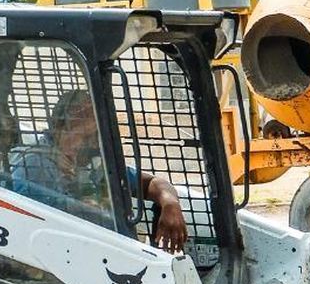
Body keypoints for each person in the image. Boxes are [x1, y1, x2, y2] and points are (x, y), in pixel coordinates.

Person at [10, 90, 188, 253]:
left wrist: (170, 203)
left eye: (97, 136)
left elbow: (151, 183)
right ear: (60, 128)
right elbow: (44, 227)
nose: (95, 144)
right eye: (87, 137)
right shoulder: (33, 167)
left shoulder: (92, 164)